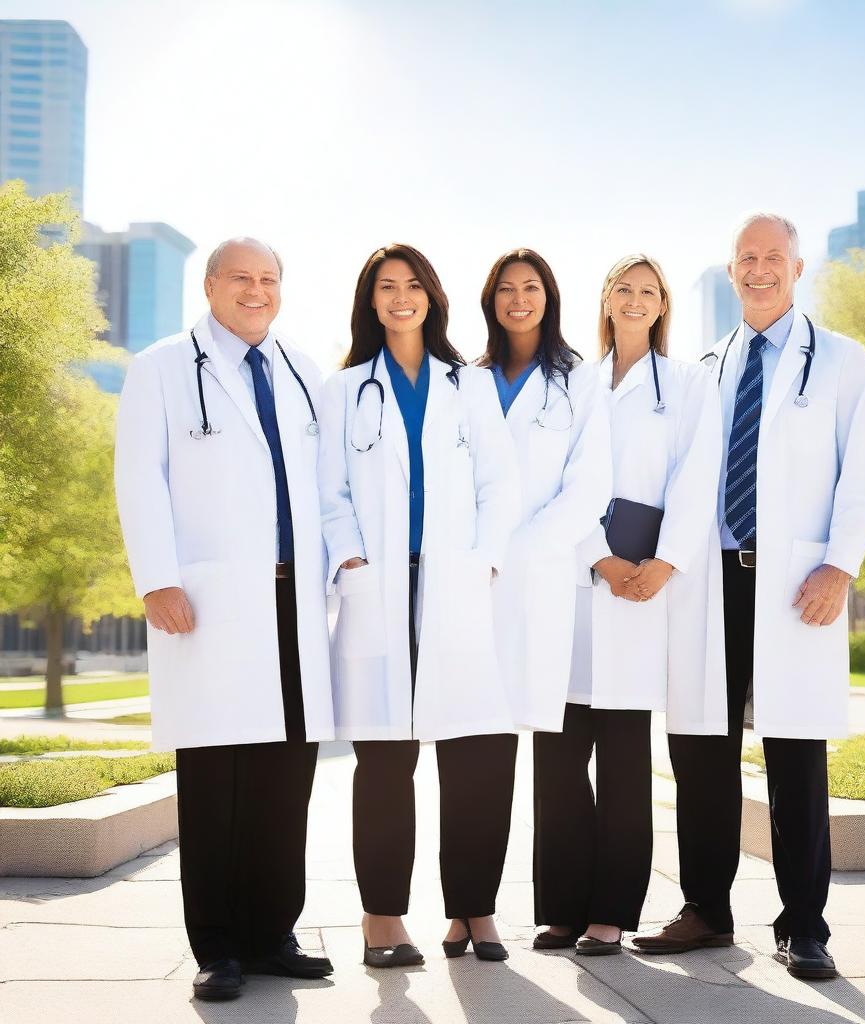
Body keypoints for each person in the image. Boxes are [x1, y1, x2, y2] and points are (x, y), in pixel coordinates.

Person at [634, 214, 865, 980]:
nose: (759, 269)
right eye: (747, 258)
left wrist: (840, 567)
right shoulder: (705, 366)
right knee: (702, 748)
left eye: (774, 257)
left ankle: (805, 924)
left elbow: (859, 471)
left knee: (795, 755)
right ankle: (705, 909)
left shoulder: (840, 361)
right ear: (732, 269)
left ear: (798, 268)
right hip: (708, 582)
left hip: (793, 586)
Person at [114, 238, 336, 1002]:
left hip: (296, 599)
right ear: (209, 286)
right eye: (240, 277)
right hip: (207, 600)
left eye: (269, 278)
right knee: (216, 781)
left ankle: (272, 933)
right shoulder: (163, 367)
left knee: (284, 781)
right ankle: (216, 947)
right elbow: (139, 476)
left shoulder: (306, 372)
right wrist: (156, 579)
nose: (256, 290)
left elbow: (327, 482)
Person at [319, 243, 521, 967]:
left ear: (433, 298)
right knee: (383, 761)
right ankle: (382, 920)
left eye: (413, 286)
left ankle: (474, 910)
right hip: (378, 587)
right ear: (370, 301)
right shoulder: (344, 390)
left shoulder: (468, 385)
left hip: (456, 586)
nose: (400, 297)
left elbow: (500, 484)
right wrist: (351, 558)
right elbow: (329, 492)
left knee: (479, 754)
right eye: (386, 287)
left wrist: (484, 559)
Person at [532, 255, 724, 956]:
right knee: (556, 759)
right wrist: (598, 555)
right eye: (624, 288)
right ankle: (559, 909)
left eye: (649, 290)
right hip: (575, 580)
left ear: (663, 304)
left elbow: (697, 474)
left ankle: (611, 912)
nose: (635, 298)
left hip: (644, 587)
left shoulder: (686, 384)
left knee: (622, 761)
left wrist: (664, 563)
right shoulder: (570, 382)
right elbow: (548, 480)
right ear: (606, 301)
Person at [478, 248, 612, 732]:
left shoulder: (578, 379)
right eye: (506, 289)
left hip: (541, 569)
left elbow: (592, 485)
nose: (519, 299)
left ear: (549, 298)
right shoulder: (469, 381)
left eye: (530, 288)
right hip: (475, 572)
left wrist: (520, 547)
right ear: (490, 300)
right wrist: (483, 552)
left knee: (529, 709)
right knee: (476, 727)